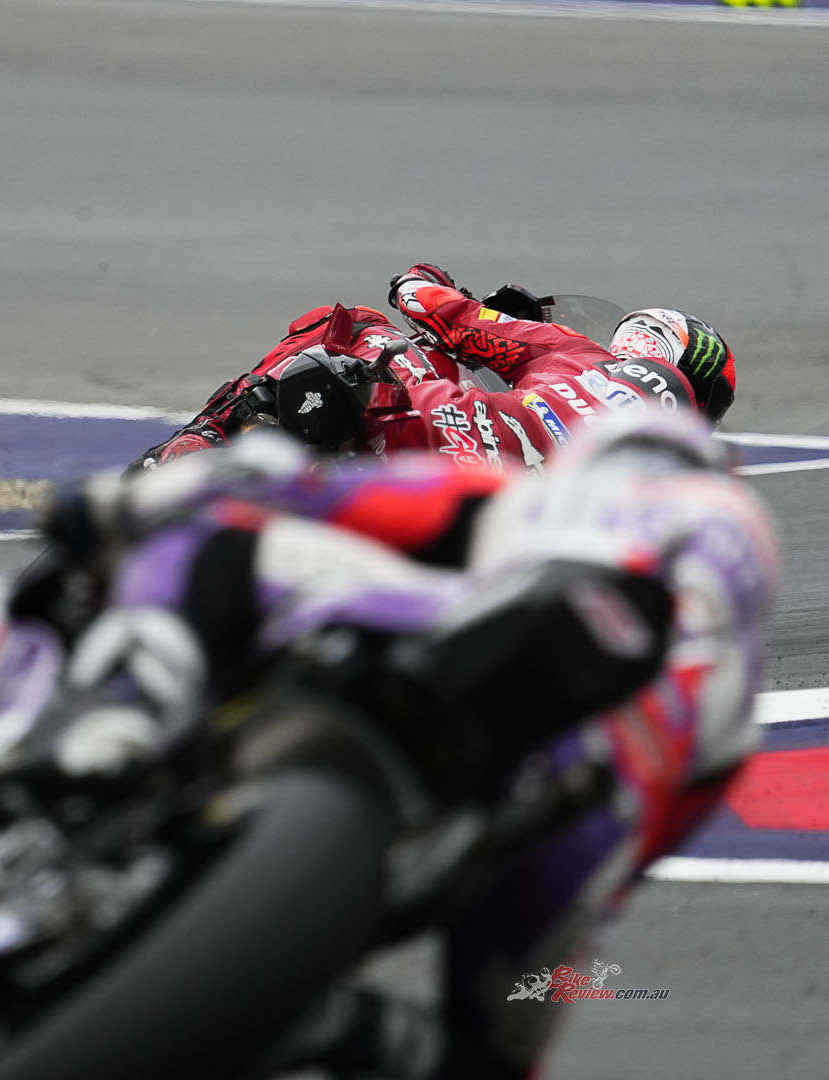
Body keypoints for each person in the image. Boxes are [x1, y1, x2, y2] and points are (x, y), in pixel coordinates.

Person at [38, 409, 776, 1078]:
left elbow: (302, 486)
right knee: (486, 1060)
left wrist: (110, 506)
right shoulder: (737, 695)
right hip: (582, 806)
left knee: (214, 539)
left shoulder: (533, 494)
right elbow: (637, 853)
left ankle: (121, 724)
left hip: (443, 637)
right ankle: (338, 1025)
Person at [133, 264, 737, 475]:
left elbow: (449, 318)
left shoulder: (580, 355)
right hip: (501, 520)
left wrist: (421, 281)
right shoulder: (680, 475)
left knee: (356, 327)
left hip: (437, 431)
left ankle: (198, 441)